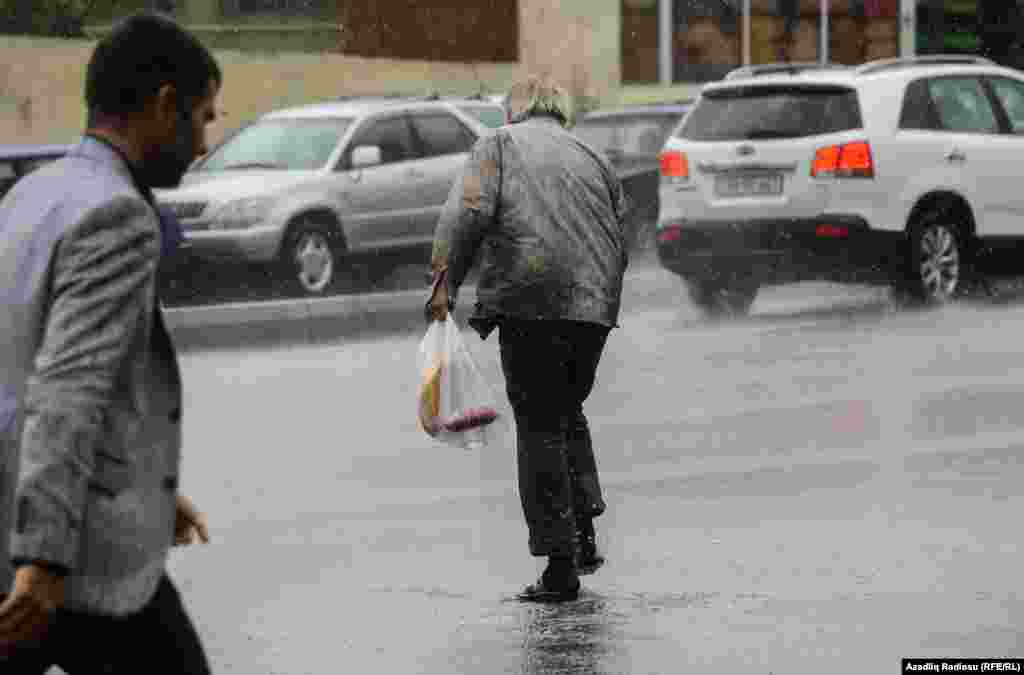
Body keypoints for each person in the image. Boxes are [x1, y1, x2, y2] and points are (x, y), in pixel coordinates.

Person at [0, 12, 221, 673]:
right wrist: (41, 559)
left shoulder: (33, 195)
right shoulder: (117, 216)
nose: (206, 141)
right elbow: (67, 389)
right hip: (73, 559)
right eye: (204, 117)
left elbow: (20, 361)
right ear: (163, 106)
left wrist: (143, 483)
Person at [428, 75, 630, 602]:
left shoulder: (495, 145)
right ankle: (582, 537)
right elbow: (621, 234)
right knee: (565, 411)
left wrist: (443, 285)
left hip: (531, 299)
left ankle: (559, 566)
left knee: (539, 423)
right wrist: (601, 299)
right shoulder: (593, 155)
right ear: (560, 112)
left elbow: (466, 215)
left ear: (511, 111)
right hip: (595, 305)